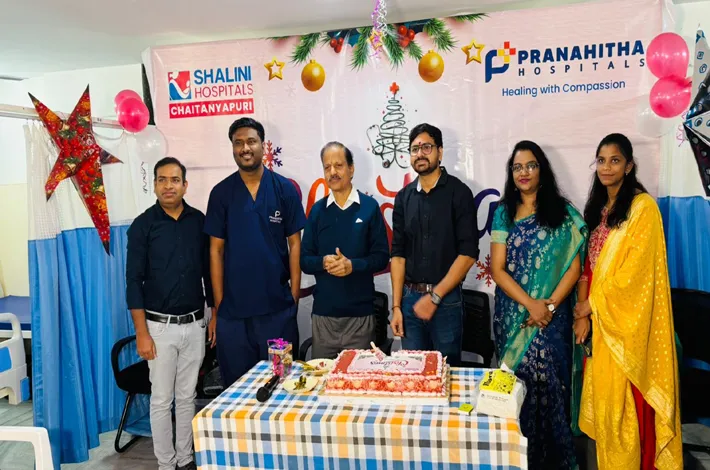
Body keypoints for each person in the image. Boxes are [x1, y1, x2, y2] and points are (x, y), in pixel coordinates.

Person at [576, 133, 682, 469]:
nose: (606, 167)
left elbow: (636, 276)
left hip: (627, 329)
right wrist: (583, 315)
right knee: (608, 413)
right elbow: (588, 266)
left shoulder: (642, 208)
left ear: (629, 166)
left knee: (631, 412)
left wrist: (591, 305)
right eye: (601, 160)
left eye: (615, 160)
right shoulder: (598, 209)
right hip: (601, 327)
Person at [489, 141, 587, 469]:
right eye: (517, 167)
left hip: (551, 320)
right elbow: (497, 270)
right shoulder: (503, 213)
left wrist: (550, 307)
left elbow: (574, 266)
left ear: (541, 169)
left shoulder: (563, 212)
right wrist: (531, 304)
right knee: (520, 393)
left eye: (530, 165)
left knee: (553, 391)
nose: (524, 172)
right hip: (514, 317)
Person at [126, 157, 213, 470]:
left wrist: (213, 314)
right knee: (162, 399)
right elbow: (133, 281)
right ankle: (166, 463)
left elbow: (208, 272)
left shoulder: (199, 222)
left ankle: (185, 458)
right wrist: (141, 333)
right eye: (162, 180)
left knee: (187, 396)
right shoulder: (142, 226)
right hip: (158, 328)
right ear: (154, 185)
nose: (168, 186)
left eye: (175, 180)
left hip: (195, 323)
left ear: (185, 185)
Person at [204, 118, 306, 386]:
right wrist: (220, 306)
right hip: (234, 318)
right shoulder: (221, 193)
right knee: (237, 389)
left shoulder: (284, 189)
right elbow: (215, 251)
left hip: (278, 314)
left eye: (251, 141)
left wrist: (293, 297)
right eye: (238, 143)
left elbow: (295, 244)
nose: (245, 148)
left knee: (282, 383)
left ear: (263, 145)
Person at [389, 123, 478, 366]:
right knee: (413, 371)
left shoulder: (459, 193)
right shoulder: (403, 198)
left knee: (447, 371)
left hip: (447, 301)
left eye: (426, 147)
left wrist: (435, 296)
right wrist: (396, 306)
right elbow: (398, 255)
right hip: (409, 301)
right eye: (414, 149)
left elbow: (468, 253)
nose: (420, 154)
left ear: (440, 152)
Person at [300, 142, 389, 359]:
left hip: (360, 318)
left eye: (338, 165)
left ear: (351, 168)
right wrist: (323, 262)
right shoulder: (317, 211)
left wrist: (352, 266)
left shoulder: (369, 207)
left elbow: (381, 257)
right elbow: (304, 260)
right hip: (324, 317)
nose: (332, 172)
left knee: (357, 378)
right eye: (327, 167)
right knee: (322, 378)